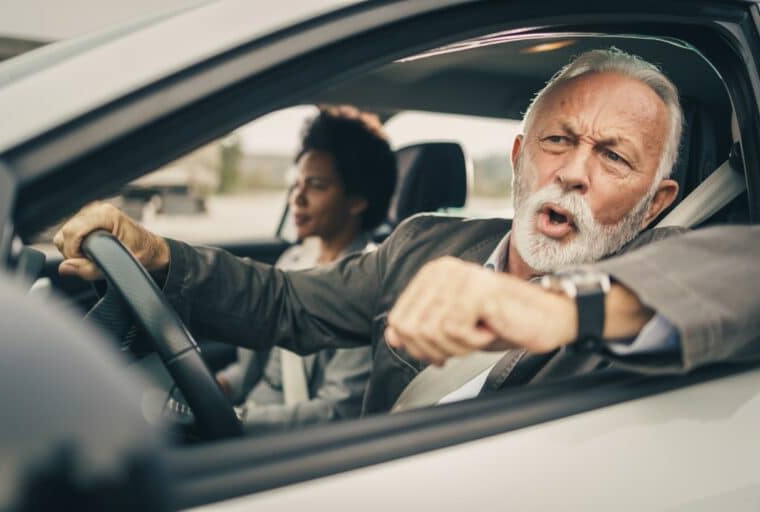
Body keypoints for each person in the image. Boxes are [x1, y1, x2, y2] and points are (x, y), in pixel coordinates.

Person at [54, 49, 752, 415]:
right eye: (558, 141)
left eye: (612, 156)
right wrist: (160, 256)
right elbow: (285, 303)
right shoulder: (424, 245)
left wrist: (560, 309)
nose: (572, 172)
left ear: (658, 202)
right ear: (518, 159)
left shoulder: (664, 269)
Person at [213, 109, 397, 432]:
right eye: (296, 184)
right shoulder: (292, 261)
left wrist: (236, 422)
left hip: (284, 443)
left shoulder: (368, 290)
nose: (297, 198)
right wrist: (218, 388)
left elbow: (334, 413)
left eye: (316, 186)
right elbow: (253, 371)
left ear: (356, 200)